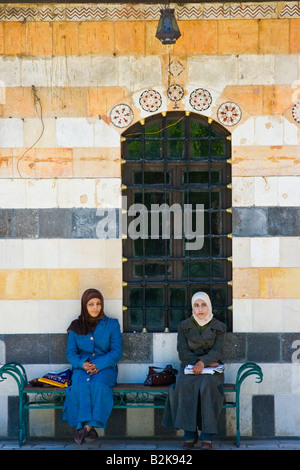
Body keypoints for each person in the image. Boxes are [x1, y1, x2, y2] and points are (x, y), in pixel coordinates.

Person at [162, 291, 226, 450]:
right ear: (192, 307)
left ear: (209, 306)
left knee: (207, 386)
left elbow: (217, 350)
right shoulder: (184, 326)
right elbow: (182, 351)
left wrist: (203, 362)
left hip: (212, 370)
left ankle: (206, 433)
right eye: (196, 305)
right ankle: (190, 432)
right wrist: (197, 364)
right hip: (190, 368)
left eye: (203, 305)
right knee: (183, 385)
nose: (200, 309)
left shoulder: (218, 326)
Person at [62, 288, 122, 444]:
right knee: (80, 385)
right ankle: (90, 430)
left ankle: (85, 428)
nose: (95, 308)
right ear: (84, 305)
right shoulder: (76, 326)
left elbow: (116, 352)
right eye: (91, 304)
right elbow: (70, 353)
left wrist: (98, 364)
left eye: (98, 304)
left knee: (98, 385)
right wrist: (82, 364)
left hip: (105, 368)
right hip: (82, 368)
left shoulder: (112, 324)